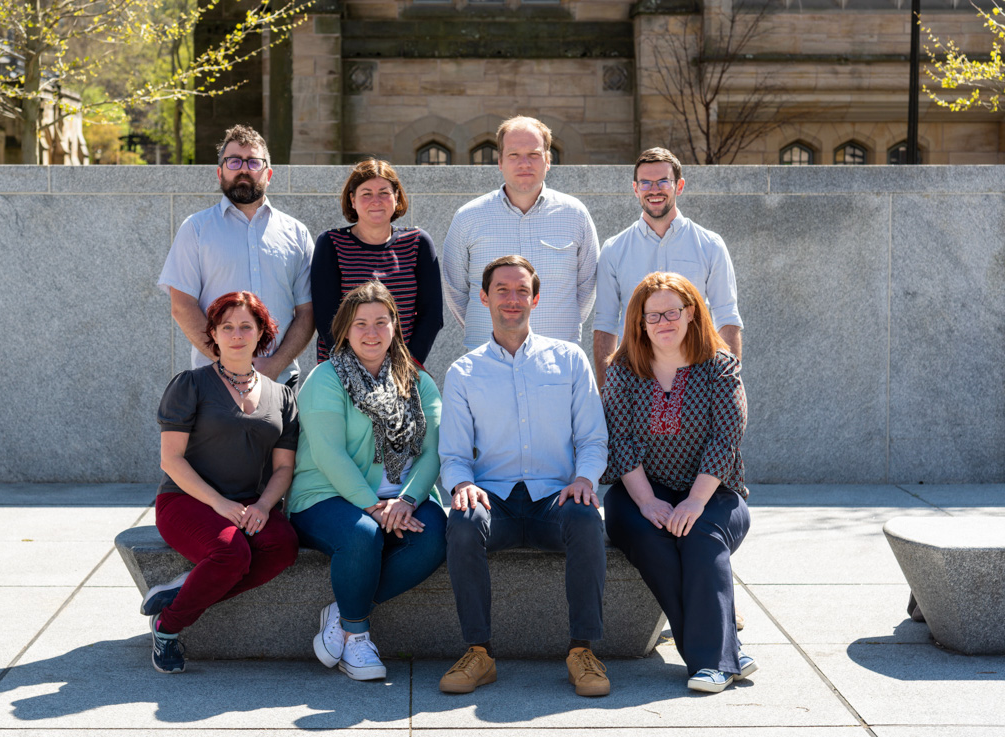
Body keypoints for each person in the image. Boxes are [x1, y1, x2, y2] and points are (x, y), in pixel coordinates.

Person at [439, 255, 610, 697]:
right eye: (501, 290)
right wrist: (462, 485)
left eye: (521, 291)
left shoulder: (569, 360)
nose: (511, 299)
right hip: (492, 500)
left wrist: (585, 479)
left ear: (535, 299)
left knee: (588, 519)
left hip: (555, 498)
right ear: (483, 297)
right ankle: (479, 653)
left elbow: (593, 439)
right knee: (461, 522)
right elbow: (454, 455)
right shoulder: (463, 372)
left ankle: (582, 652)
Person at [600, 271, 752, 694]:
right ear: (640, 323)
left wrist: (694, 502)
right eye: (653, 316)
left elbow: (726, 440)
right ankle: (727, 651)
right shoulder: (623, 371)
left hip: (715, 491)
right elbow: (620, 441)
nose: (663, 322)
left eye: (673, 312)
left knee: (701, 537)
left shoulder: (720, 368)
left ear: (690, 314)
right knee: (652, 540)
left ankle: (712, 664)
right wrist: (648, 502)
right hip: (639, 491)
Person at [288, 281, 447, 681]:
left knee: (439, 533)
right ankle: (356, 637)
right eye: (360, 323)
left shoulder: (419, 382)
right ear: (344, 329)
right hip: (324, 493)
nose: (371, 332)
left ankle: (342, 610)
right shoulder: (325, 378)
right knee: (363, 534)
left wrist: (408, 500)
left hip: (401, 497)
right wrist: (374, 507)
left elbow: (432, 452)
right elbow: (328, 455)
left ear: (396, 326)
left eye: (381, 321)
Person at [144, 291, 300, 674]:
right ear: (212, 333)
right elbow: (171, 459)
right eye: (226, 326)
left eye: (246, 326)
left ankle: (184, 590)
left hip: (250, 502)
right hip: (187, 500)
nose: (236, 334)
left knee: (283, 546)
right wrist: (220, 504)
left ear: (262, 332)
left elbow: (283, 468)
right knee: (232, 554)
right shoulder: (191, 385)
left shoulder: (282, 396)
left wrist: (264, 506)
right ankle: (168, 627)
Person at [158, 124, 315, 389]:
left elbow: (307, 312)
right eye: (234, 161)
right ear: (220, 173)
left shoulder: (296, 233)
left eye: (254, 162)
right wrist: (228, 363)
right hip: (214, 382)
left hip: (280, 382)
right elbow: (182, 305)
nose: (243, 169)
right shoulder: (196, 229)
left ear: (269, 174)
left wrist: (275, 364)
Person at [442, 115, 599, 351]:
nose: (524, 163)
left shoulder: (575, 215)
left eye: (534, 154)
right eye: (514, 155)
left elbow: (587, 287)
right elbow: (456, 291)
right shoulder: (468, 218)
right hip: (487, 359)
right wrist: (495, 328)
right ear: (500, 162)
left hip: (557, 357)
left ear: (547, 160)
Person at [593, 147, 742, 387]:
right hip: (634, 380)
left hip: (697, 379)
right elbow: (605, 325)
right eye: (645, 183)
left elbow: (727, 318)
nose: (654, 190)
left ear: (679, 186)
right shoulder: (614, 250)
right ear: (635, 189)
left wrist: (728, 387)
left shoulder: (710, 245)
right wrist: (607, 393)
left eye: (663, 181)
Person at [312, 159, 443, 366]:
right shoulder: (331, 243)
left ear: (396, 198)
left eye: (384, 192)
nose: (376, 200)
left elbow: (432, 316)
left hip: (402, 370)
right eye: (366, 194)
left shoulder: (418, 243)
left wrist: (407, 365)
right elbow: (326, 317)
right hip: (341, 371)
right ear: (352, 200)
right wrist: (352, 369)